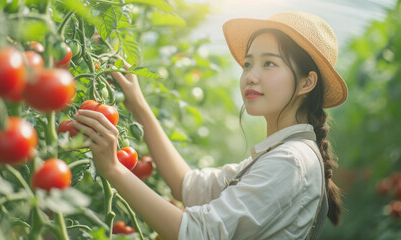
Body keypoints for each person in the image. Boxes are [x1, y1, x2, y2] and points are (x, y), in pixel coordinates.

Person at [72, 11, 348, 240]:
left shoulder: (291, 161)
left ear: (306, 82)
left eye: (269, 64)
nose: (251, 76)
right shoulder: (282, 155)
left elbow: (197, 233)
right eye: (248, 64)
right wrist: (139, 107)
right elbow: (187, 187)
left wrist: (112, 168)